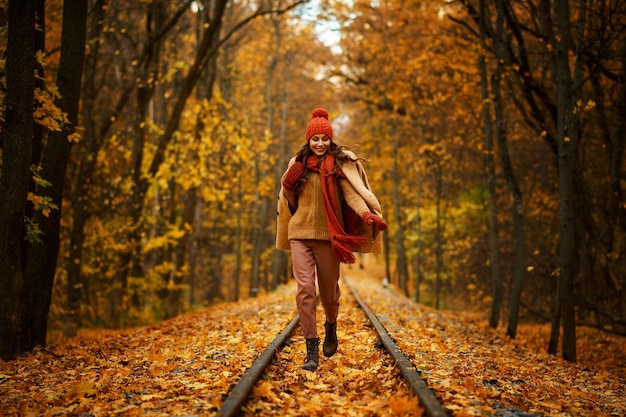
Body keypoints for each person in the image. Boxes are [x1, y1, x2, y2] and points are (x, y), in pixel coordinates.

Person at [276, 108, 388, 371]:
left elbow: (353, 196)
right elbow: (289, 204)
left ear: (330, 139)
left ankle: (330, 324)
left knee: (329, 294)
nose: (320, 144)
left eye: (324, 139)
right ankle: (311, 349)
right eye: (315, 139)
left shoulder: (340, 165)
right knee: (305, 290)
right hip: (299, 234)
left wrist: (367, 215)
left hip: (329, 237)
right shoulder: (297, 165)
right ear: (308, 140)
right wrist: (288, 186)